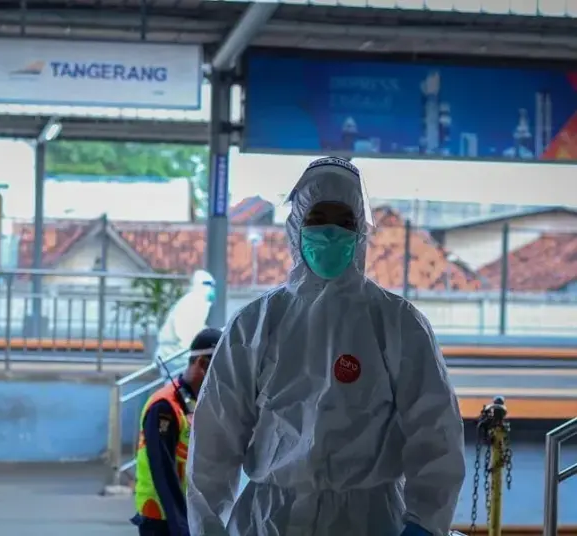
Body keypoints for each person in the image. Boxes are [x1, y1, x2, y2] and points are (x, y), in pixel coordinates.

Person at [186, 157, 465, 536]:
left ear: (361, 233)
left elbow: (436, 431)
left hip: (370, 521)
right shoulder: (255, 325)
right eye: (318, 219)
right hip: (271, 521)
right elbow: (214, 439)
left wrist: (425, 522)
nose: (331, 233)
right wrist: (207, 526)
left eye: (344, 222)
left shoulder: (398, 323)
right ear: (296, 226)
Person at [132, 327, 222, 536]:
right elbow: (162, 470)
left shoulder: (202, 402)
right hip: (161, 516)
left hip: (190, 512)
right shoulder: (164, 406)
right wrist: (180, 525)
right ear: (201, 364)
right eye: (218, 370)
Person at [155, 270, 216, 362]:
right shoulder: (191, 303)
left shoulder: (199, 303)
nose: (211, 289)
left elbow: (197, 329)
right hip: (173, 354)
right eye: (208, 284)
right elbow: (185, 334)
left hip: (176, 354)